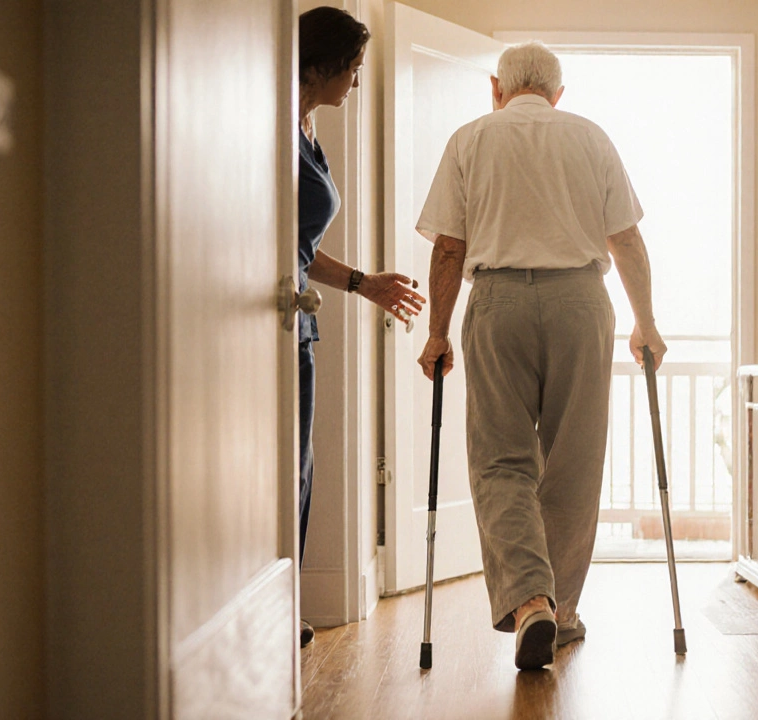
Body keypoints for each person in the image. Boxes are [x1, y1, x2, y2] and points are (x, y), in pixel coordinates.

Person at [415, 41, 666, 671]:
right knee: (574, 461)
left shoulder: (471, 138)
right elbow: (626, 238)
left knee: (502, 460)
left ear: (496, 88)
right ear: (558, 94)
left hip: (497, 302)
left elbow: (449, 247)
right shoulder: (589, 136)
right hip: (581, 301)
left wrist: (438, 333)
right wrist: (646, 324)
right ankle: (566, 611)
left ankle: (532, 602)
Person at [297, 6, 426, 648]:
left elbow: (294, 246)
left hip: (298, 320)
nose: (354, 81)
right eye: (350, 69)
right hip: (276, 321)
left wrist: (365, 284)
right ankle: (276, 610)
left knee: (300, 468)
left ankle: (283, 605)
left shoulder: (307, 125)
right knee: (286, 467)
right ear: (318, 67)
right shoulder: (274, 133)